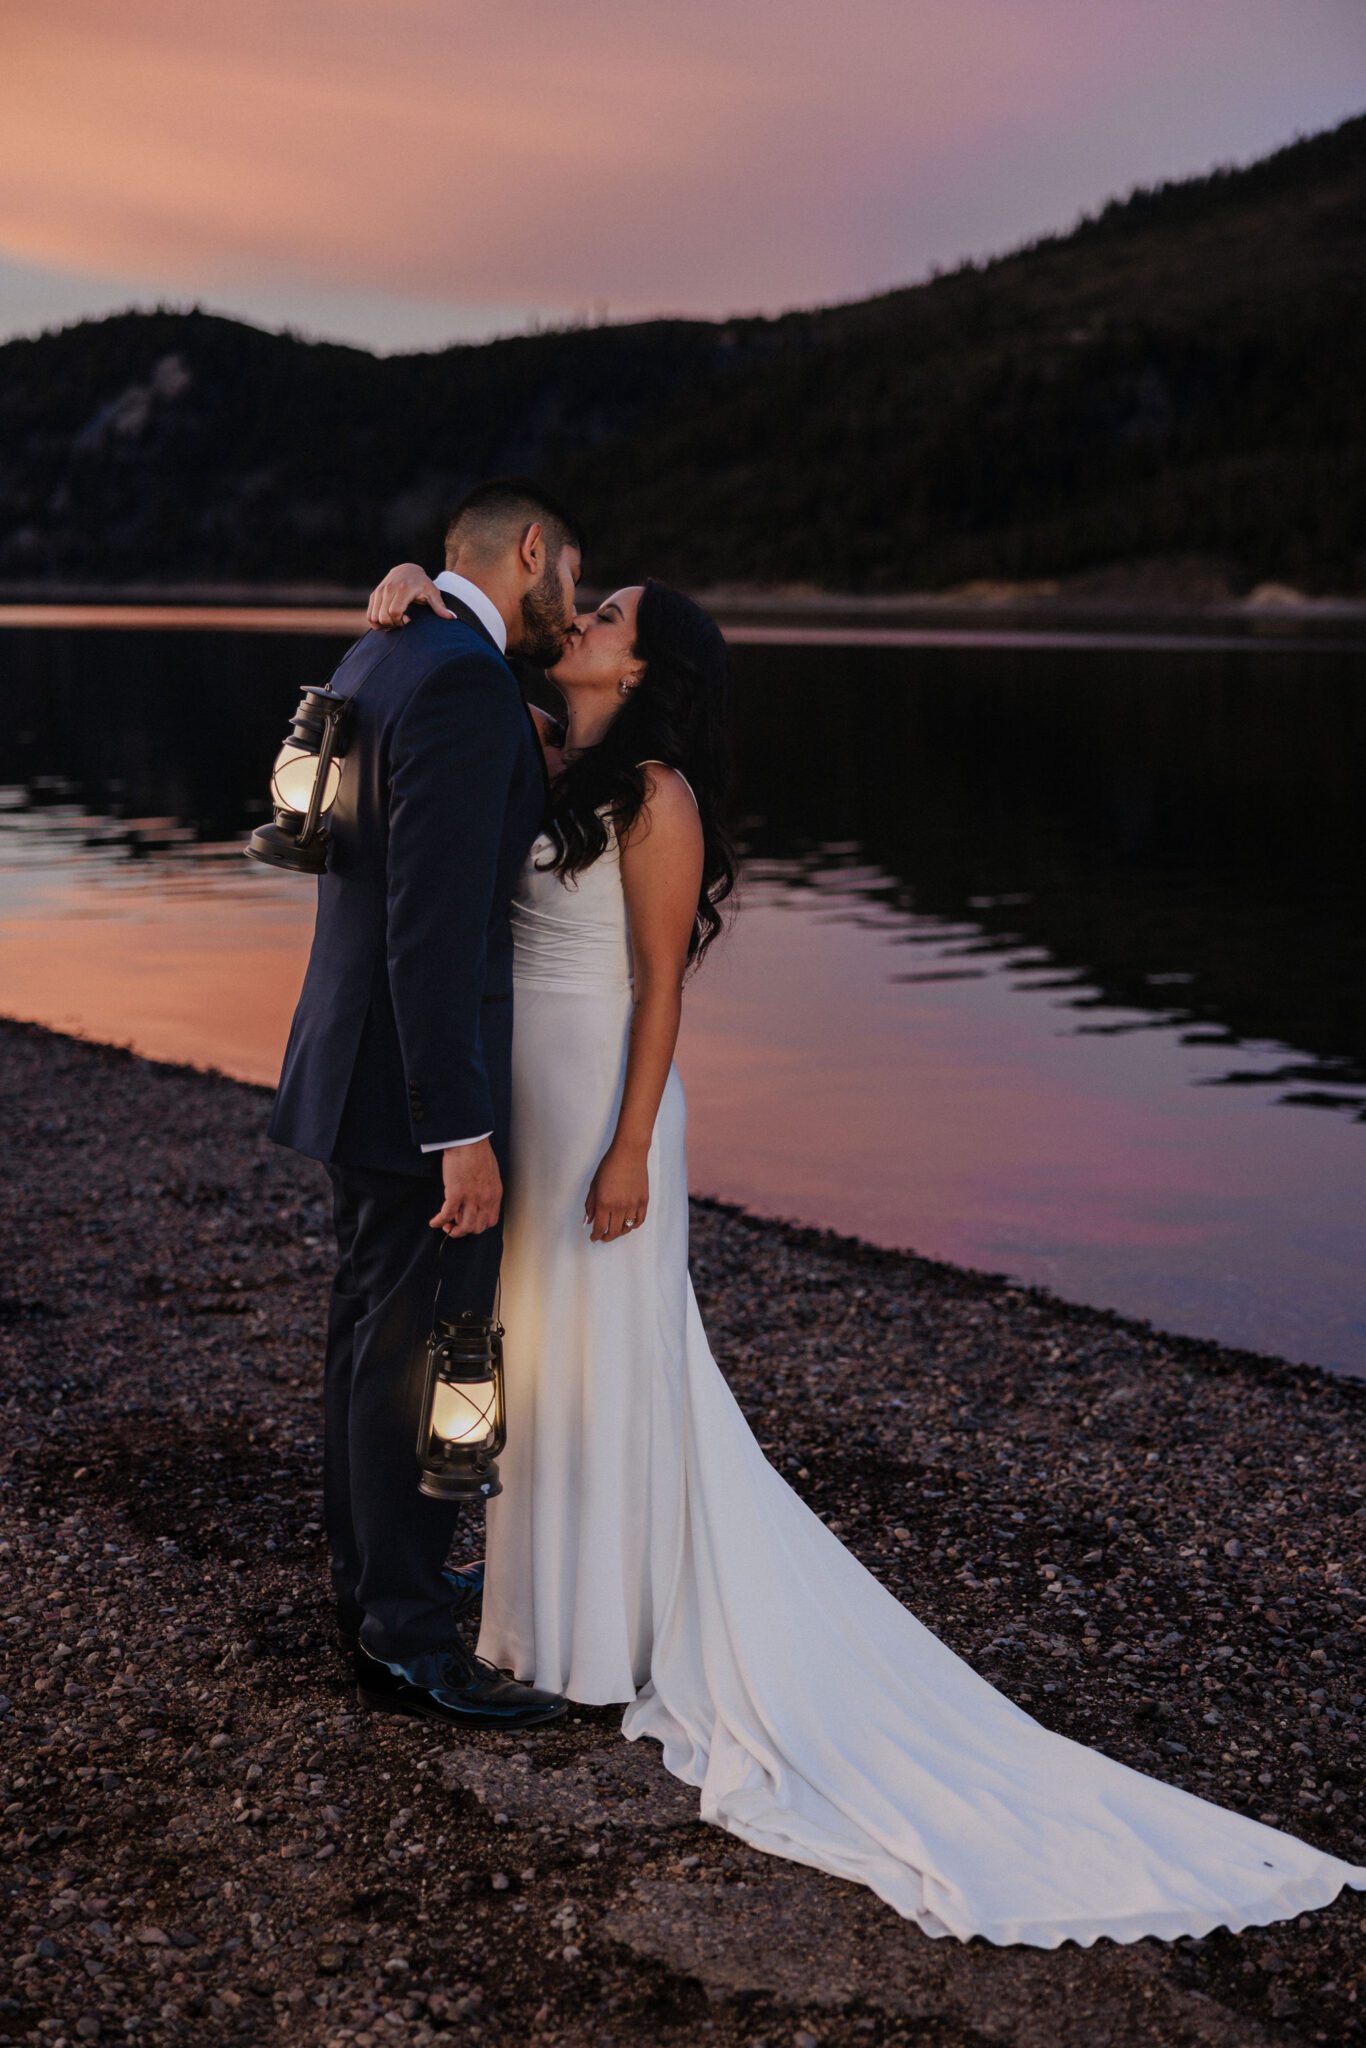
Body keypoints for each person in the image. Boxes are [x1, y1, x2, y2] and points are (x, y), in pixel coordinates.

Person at [364, 557, 1366, 1944]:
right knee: (532, 1355)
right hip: (523, 1100)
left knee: (609, 1360)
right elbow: (441, 719)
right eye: (588, 611)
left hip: (602, 1099)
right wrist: (412, 583)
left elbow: (660, 991)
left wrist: (629, 1149)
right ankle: (536, 1617)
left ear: (646, 676)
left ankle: (601, 1636)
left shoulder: (658, 800)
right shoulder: (542, 758)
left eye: (606, 623)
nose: (581, 627)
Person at [269, 479, 584, 1733]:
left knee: (367, 1337)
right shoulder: (457, 675)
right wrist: (459, 1126)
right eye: (573, 569)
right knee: (407, 1351)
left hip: (350, 1065)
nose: (572, 593)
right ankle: (404, 1639)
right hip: (409, 1090)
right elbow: (432, 920)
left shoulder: (389, 645)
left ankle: (371, 1597)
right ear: (529, 552)